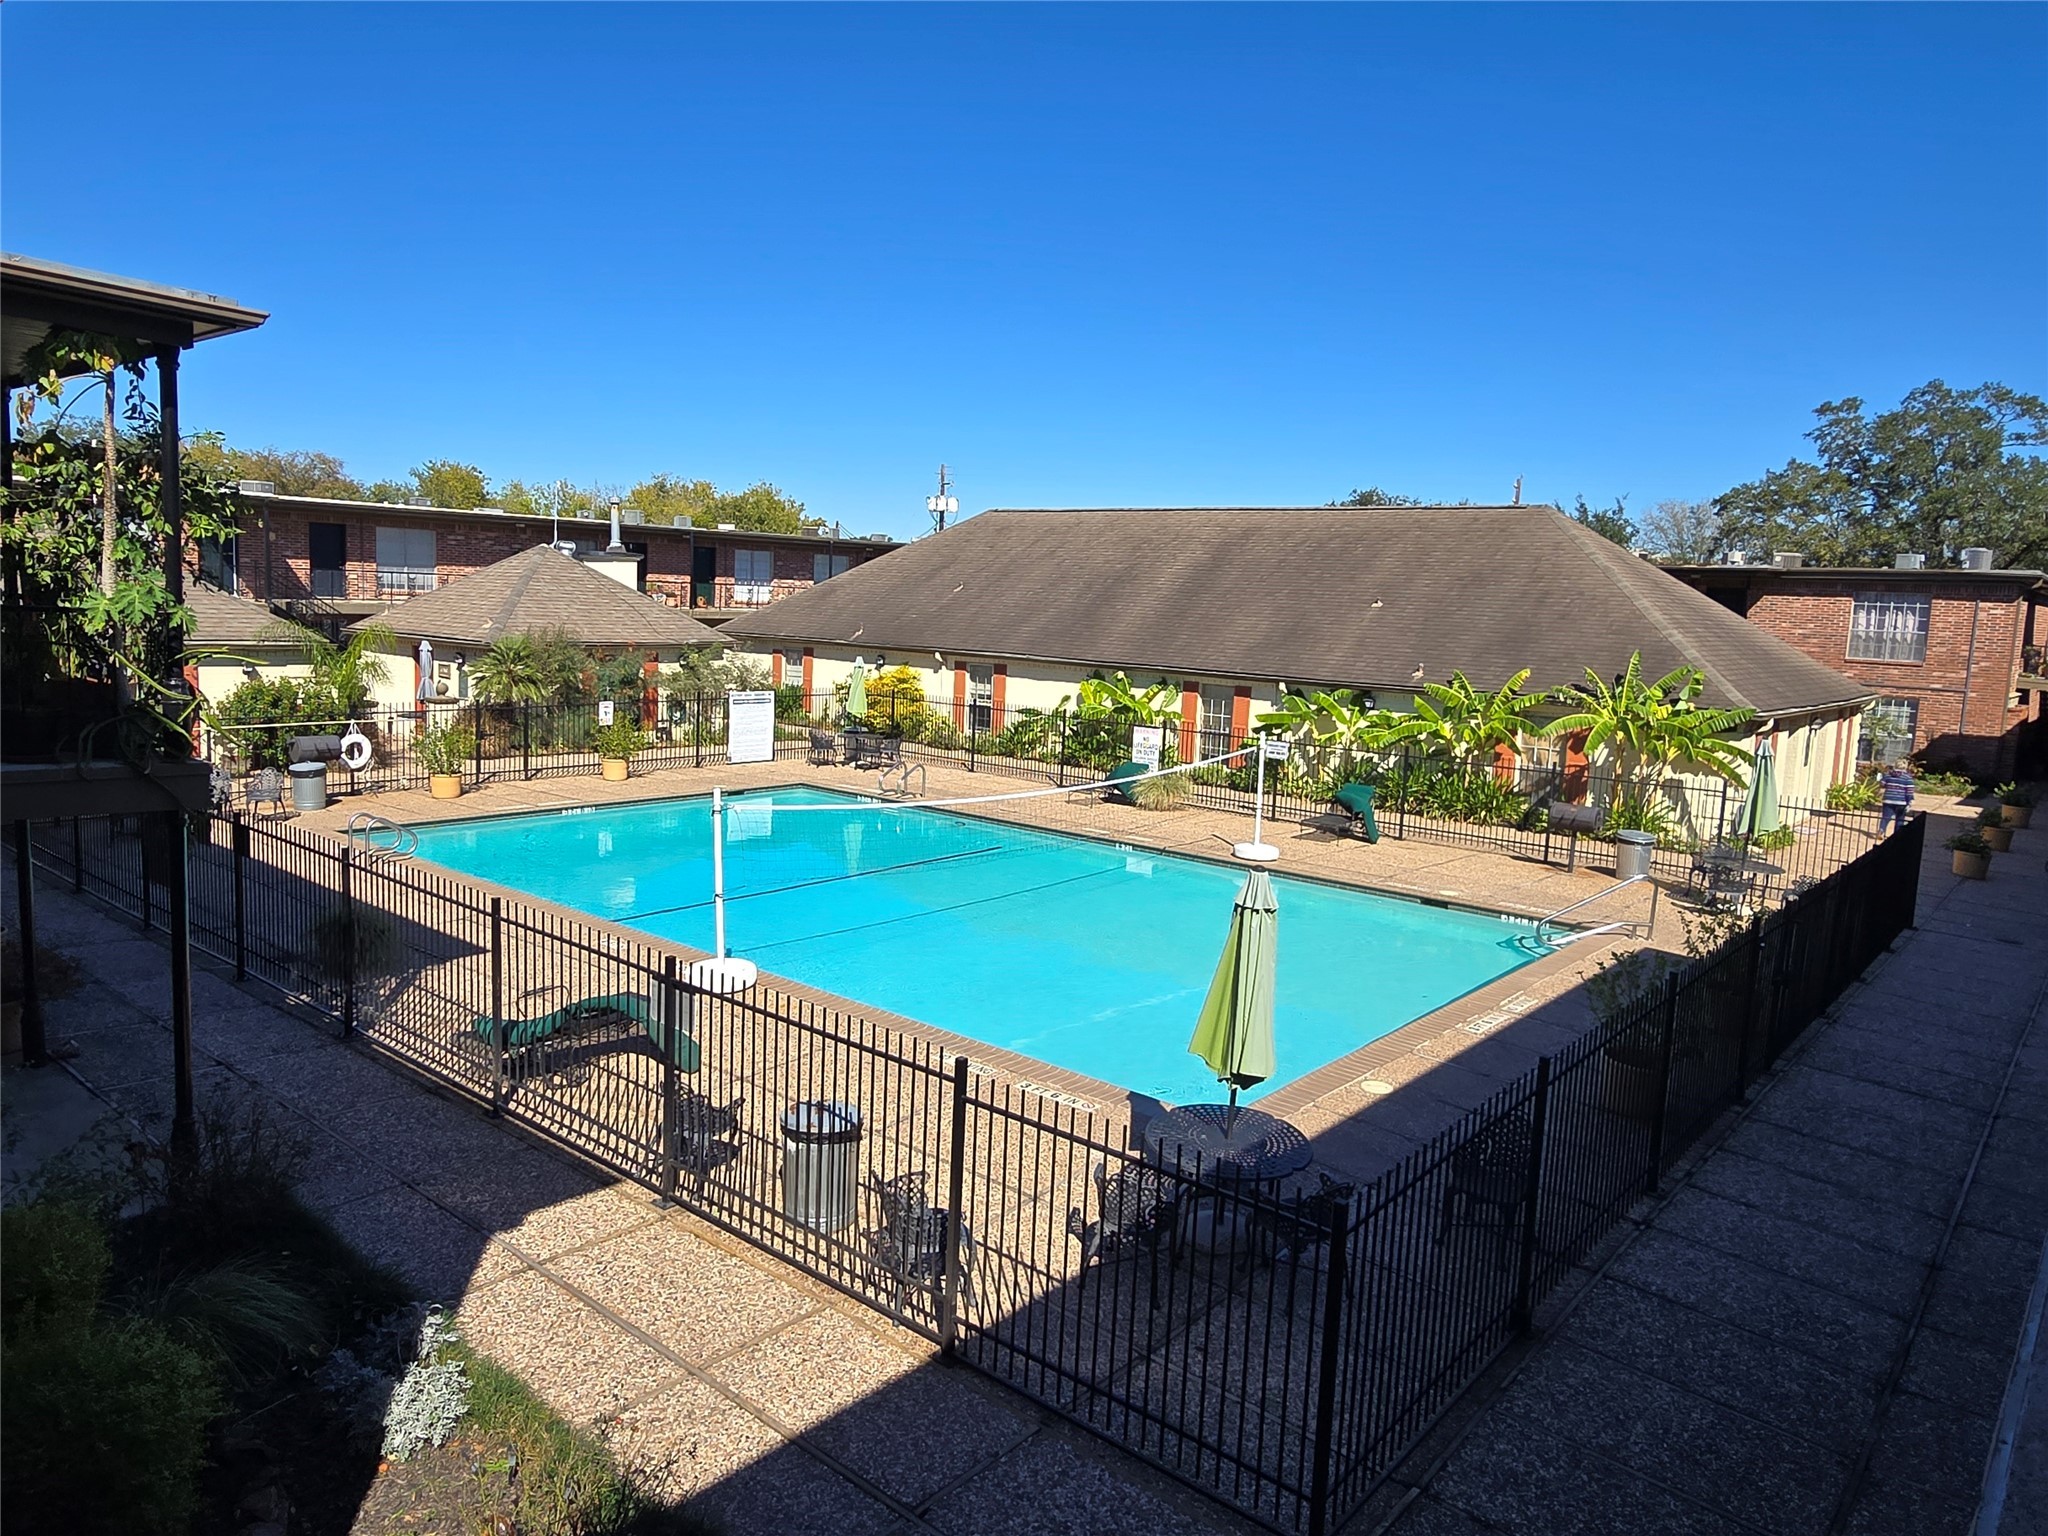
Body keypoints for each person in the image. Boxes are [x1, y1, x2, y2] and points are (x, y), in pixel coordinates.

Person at [1877, 761, 1916, 835]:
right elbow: (1909, 792)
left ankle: (1882, 830)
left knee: (1885, 817)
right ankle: (1897, 835)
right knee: (1900, 819)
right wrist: (1909, 801)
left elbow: (1882, 784)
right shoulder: (1907, 778)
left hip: (1888, 799)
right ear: (1905, 767)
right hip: (1901, 801)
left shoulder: (1888, 775)